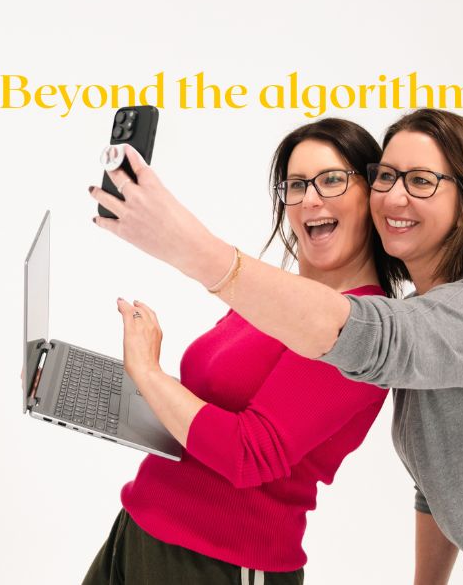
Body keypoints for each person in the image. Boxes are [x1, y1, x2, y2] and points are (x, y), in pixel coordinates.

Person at [88, 109, 463, 585]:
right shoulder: (423, 331)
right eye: (388, 177)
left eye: (422, 181)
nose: (396, 197)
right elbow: (440, 483)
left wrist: (183, 248)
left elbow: (358, 338)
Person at [81, 118, 409, 585]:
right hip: (141, 526)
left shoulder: (363, 329)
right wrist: (92, 387)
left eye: (332, 180)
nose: (310, 199)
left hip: (221, 563)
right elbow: (207, 411)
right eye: (296, 185)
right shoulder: (274, 294)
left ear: (371, 193)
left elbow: (248, 454)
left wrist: (149, 373)